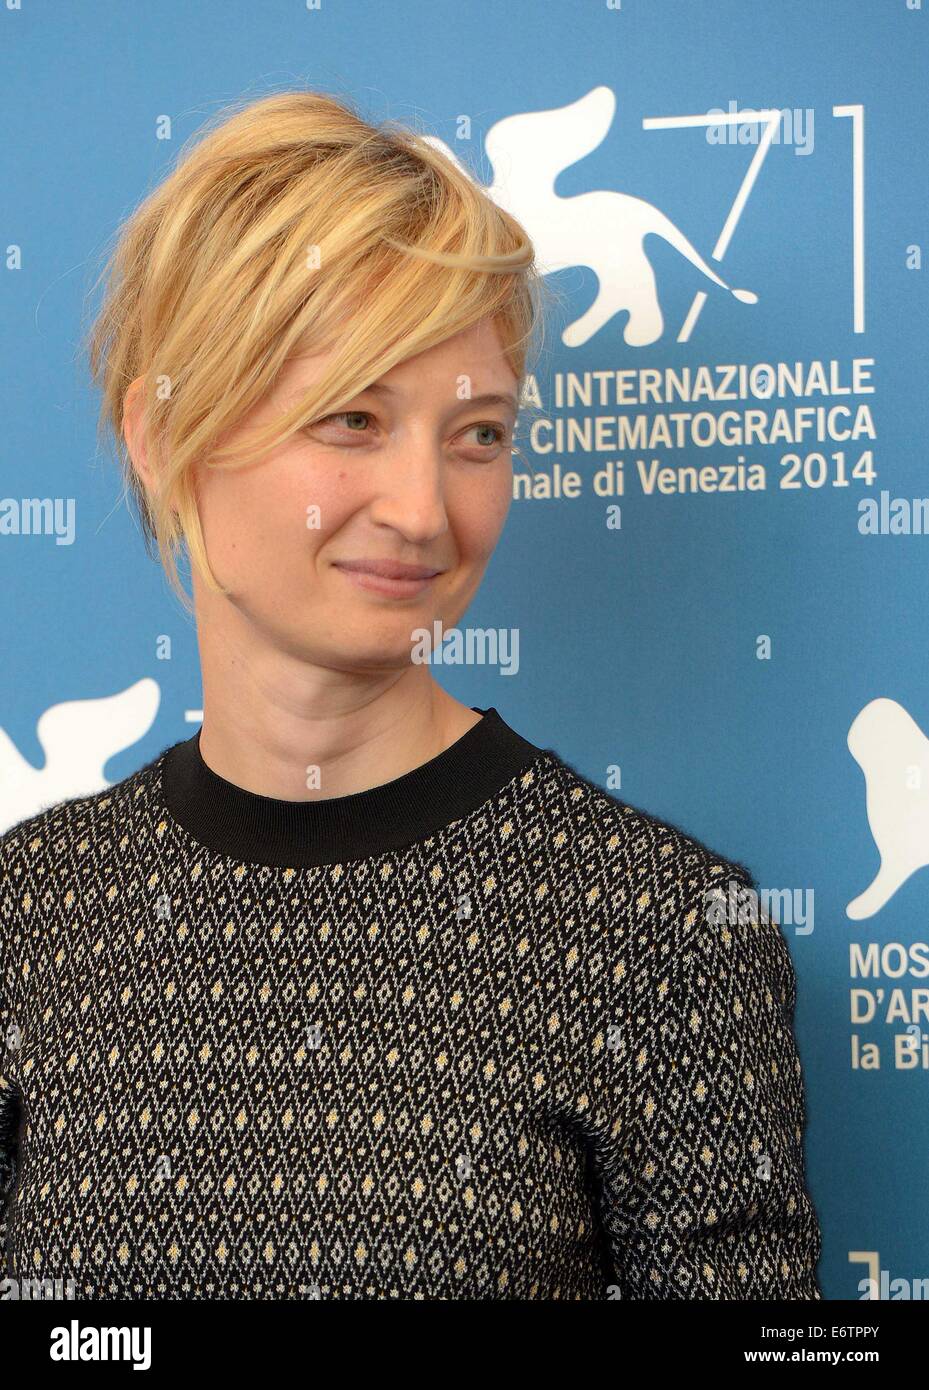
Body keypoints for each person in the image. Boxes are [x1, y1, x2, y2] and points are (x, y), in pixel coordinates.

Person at [0, 89, 822, 1301]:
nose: (424, 509)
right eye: (352, 418)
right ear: (164, 436)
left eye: (476, 434)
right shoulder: (30, 919)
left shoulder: (665, 936)